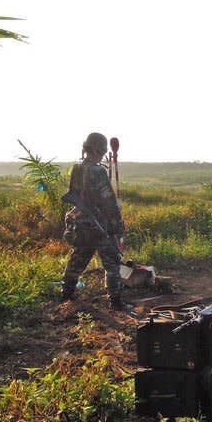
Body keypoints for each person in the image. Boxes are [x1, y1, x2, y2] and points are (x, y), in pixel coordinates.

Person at [61, 132, 129, 311]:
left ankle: (66, 293)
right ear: (100, 150)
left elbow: (75, 194)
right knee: (112, 261)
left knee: (78, 259)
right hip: (98, 226)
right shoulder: (98, 172)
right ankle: (115, 301)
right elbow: (109, 203)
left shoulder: (76, 168)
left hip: (80, 223)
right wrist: (117, 227)